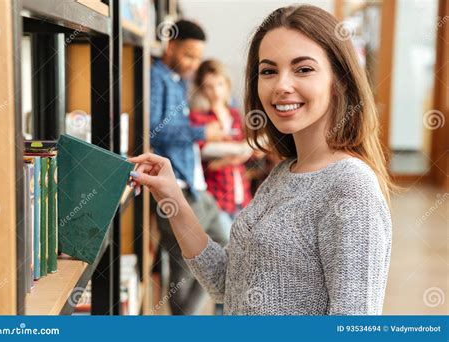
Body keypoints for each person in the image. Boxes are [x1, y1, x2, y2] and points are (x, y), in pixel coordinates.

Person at [129, 5, 394, 315]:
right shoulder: (283, 173)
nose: (281, 85)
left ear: (340, 81)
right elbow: (227, 284)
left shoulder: (351, 187)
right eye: (268, 71)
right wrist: (172, 195)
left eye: (303, 69)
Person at [147, 19, 228, 315]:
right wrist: (201, 133)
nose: (194, 64)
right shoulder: (156, 76)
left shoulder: (180, 81)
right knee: (184, 271)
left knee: (224, 248)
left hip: (195, 187)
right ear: (170, 46)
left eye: (198, 57)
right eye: (189, 55)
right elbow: (153, 129)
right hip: (175, 188)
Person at [190, 59, 253, 237]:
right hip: (216, 197)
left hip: (240, 195)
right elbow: (204, 162)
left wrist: (241, 152)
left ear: (227, 84)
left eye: (220, 84)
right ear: (201, 88)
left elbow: (246, 152)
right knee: (225, 246)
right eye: (209, 86)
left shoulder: (234, 114)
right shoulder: (198, 118)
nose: (216, 92)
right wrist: (235, 153)